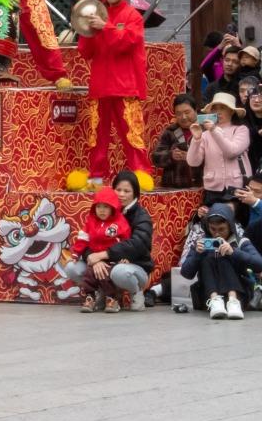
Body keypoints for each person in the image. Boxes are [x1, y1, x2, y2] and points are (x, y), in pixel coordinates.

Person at [76, 0, 148, 183]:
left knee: (131, 133)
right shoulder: (98, 14)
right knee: (97, 135)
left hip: (125, 86)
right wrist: (87, 30)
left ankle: (141, 175)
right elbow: (85, 52)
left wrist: (104, 27)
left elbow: (124, 43)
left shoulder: (132, 16)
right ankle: (97, 176)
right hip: (100, 86)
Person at [64, 170, 154, 310]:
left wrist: (104, 255)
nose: (122, 194)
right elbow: (88, 239)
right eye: (118, 190)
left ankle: (136, 291)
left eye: (127, 191)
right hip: (105, 262)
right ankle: (102, 293)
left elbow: (138, 244)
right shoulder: (102, 212)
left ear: (135, 193)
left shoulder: (141, 216)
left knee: (118, 272)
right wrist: (95, 260)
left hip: (134, 266)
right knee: (71, 268)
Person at [180, 203, 262, 320]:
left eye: (221, 229)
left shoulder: (241, 241)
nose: (217, 234)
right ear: (207, 227)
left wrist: (233, 252)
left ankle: (233, 300)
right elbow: (186, 273)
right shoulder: (202, 243)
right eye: (213, 229)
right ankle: (215, 300)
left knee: (224, 256)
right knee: (208, 257)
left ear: (230, 227)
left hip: (240, 292)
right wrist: (198, 254)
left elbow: (259, 264)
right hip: (208, 293)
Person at [71, 187, 132, 312]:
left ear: (113, 208)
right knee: (89, 275)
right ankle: (90, 297)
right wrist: (76, 253)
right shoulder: (91, 221)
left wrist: (126, 257)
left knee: (105, 276)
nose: (102, 210)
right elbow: (83, 239)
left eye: (106, 207)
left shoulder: (119, 222)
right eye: (99, 207)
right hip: (93, 257)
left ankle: (112, 299)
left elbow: (126, 243)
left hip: (111, 259)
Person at [186, 92, 252, 207]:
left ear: (231, 111)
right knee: (214, 222)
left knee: (236, 222)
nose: (218, 111)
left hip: (237, 187)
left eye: (223, 108)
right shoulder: (206, 134)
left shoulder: (241, 130)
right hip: (212, 189)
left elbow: (231, 151)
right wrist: (196, 140)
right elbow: (193, 162)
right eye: (214, 108)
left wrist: (214, 130)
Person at [152, 94, 200, 189]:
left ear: (195, 110)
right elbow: (156, 157)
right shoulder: (170, 132)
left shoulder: (205, 130)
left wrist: (192, 157)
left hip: (200, 186)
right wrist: (171, 155)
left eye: (187, 112)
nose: (183, 117)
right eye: (178, 113)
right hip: (173, 188)